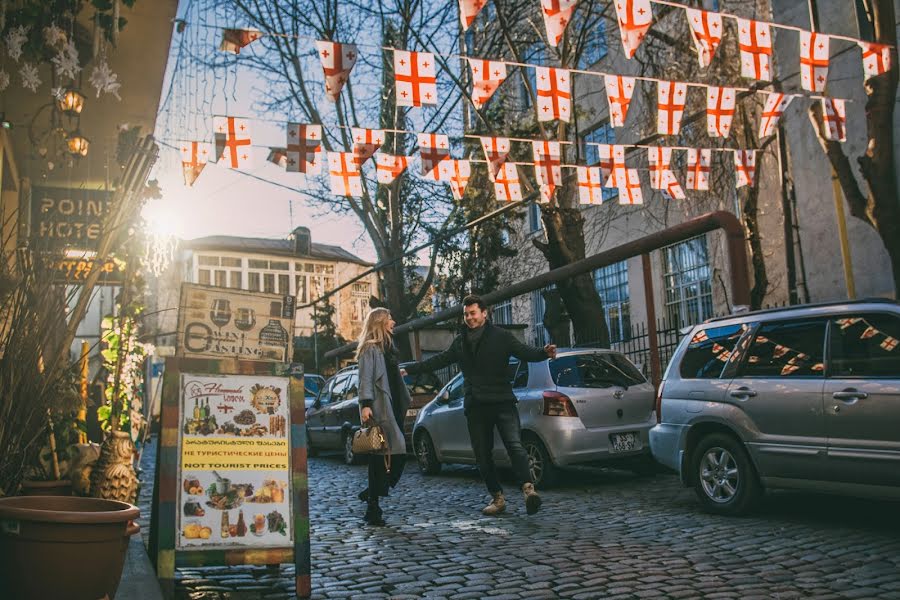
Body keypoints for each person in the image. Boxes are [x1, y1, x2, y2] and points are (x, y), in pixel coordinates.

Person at [405, 294, 556, 516]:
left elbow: (524, 352)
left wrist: (544, 352)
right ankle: (497, 498)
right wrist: (410, 369)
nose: (469, 318)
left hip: (502, 401)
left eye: (473, 313)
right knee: (482, 455)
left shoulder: (502, 337)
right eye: (465, 314)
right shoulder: (460, 342)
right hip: (476, 405)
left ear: (484, 313)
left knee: (515, 446)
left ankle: (529, 491)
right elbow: (439, 361)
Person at [355, 307, 410, 526]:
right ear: (380, 323)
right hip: (379, 408)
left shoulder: (388, 348)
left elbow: (388, 374)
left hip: (393, 406)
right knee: (384, 455)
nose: (394, 322)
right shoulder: (370, 349)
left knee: (388, 456)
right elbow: (365, 378)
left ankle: (372, 497)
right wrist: (365, 405)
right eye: (390, 319)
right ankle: (372, 504)